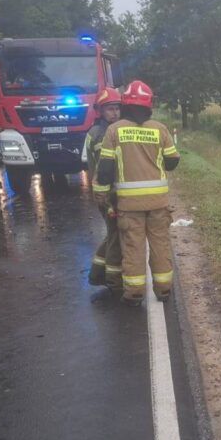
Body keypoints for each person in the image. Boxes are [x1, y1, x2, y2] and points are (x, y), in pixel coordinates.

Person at [93, 80, 179, 305]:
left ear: (125, 105)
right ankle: (163, 289)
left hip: (129, 205)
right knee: (160, 244)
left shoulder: (114, 130)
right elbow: (172, 161)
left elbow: (105, 169)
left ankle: (134, 294)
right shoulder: (159, 129)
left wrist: (102, 195)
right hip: (158, 203)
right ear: (149, 104)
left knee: (133, 247)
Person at [84, 87, 123, 289]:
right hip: (107, 194)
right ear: (100, 111)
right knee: (117, 235)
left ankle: (97, 271)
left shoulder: (98, 130)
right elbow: (105, 169)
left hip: (105, 193)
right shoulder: (102, 134)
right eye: (110, 109)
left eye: (117, 108)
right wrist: (108, 200)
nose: (115, 113)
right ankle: (114, 279)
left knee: (112, 233)